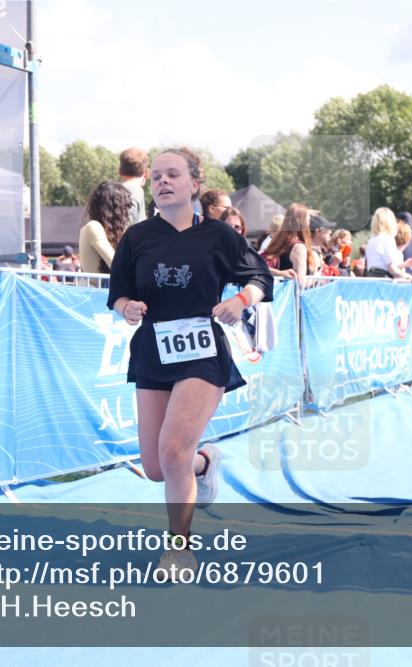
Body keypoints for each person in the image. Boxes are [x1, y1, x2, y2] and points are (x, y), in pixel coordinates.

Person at [106, 147, 273, 580]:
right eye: (156, 175)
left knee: (173, 448)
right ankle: (205, 463)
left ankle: (178, 550)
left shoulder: (218, 235)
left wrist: (240, 299)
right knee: (157, 467)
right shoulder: (137, 237)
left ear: (194, 184)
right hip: (153, 351)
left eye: (173, 174)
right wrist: (126, 308)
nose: (162, 181)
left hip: (203, 352)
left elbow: (260, 278)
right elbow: (118, 294)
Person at [79, 181, 131, 274]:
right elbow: (116, 264)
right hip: (94, 288)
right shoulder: (93, 227)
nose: (127, 213)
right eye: (125, 207)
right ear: (116, 209)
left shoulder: (96, 228)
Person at [263, 203, 316, 286]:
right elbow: (300, 283)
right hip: (291, 297)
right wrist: (316, 277)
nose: (309, 224)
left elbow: (259, 266)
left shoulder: (278, 241)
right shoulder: (299, 248)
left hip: (277, 295)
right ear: (303, 222)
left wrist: (279, 273)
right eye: (308, 220)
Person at [364, 207, 412, 281]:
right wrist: (408, 277)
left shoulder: (371, 240)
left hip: (371, 278)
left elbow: (377, 263)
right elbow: (391, 267)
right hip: (383, 280)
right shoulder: (387, 239)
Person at [119, 148, 150, 225]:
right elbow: (123, 227)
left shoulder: (110, 192)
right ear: (147, 173)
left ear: (119, 171)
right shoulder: (135, 191)